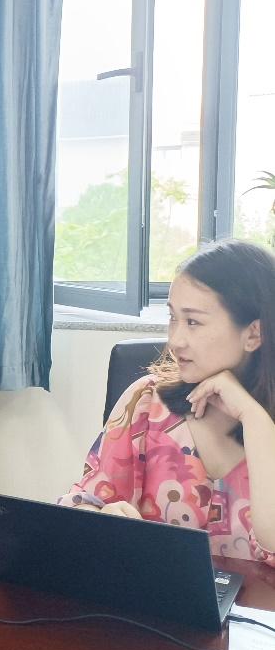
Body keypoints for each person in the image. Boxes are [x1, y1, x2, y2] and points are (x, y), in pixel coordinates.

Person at [61, 239, 275, 565]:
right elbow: (80, 501)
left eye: (193, 322)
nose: (175, 341)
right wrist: (100, 516)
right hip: (153, 595)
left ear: (254, 334)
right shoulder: (147, 402)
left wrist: (253, 417)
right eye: (173, 318)